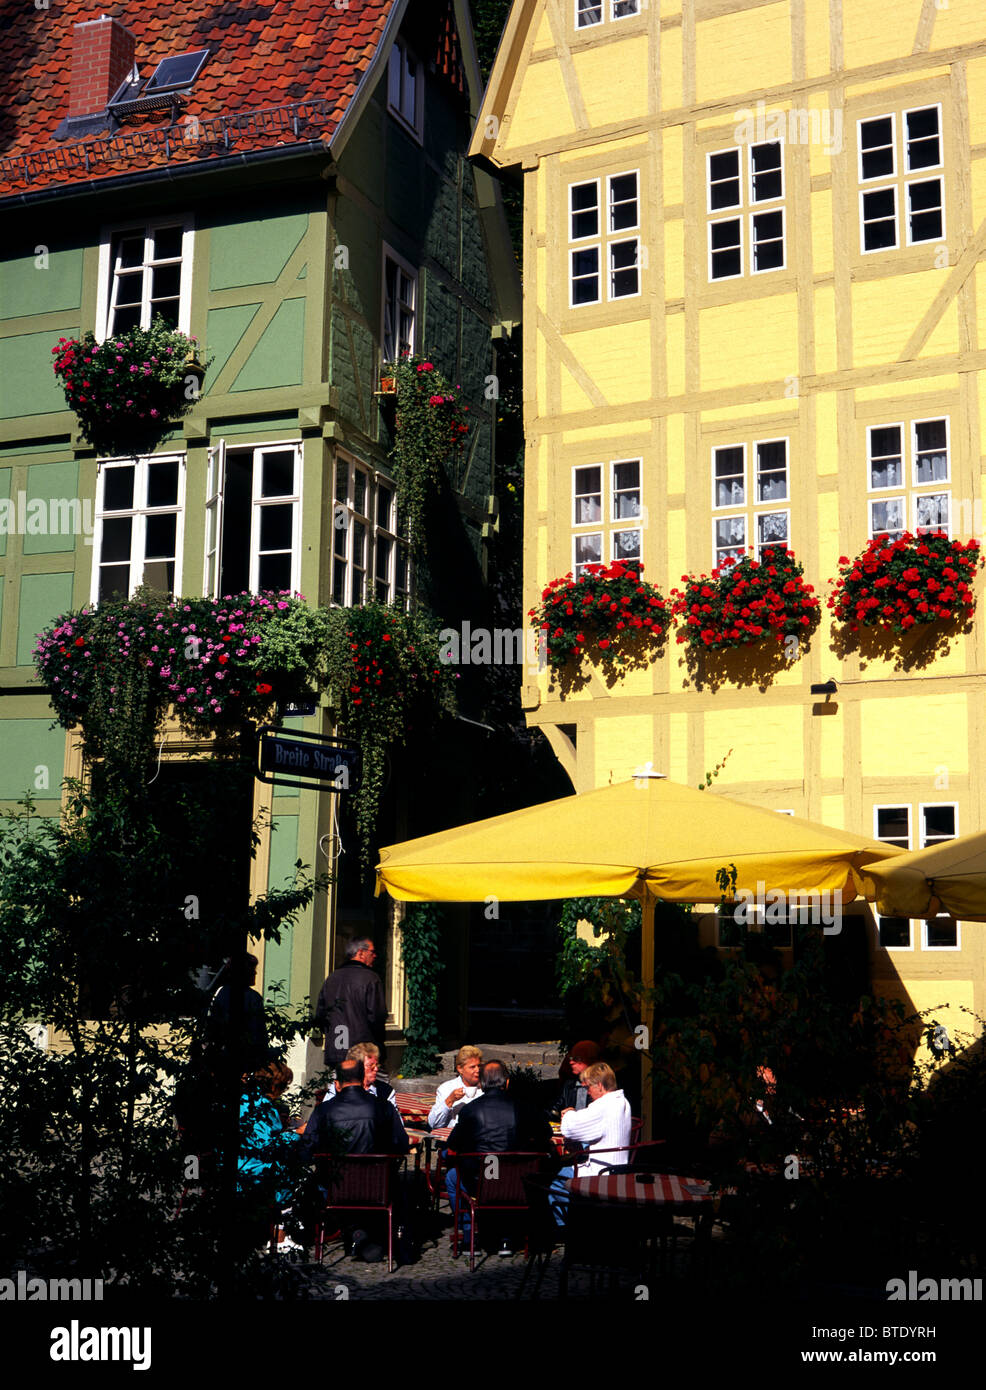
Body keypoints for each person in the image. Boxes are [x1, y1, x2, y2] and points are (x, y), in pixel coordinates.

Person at [300, 1058, 416, 1263]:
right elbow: (401, 1144)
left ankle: (355, 1232)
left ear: (337, 1083)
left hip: (335, 1187)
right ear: (363, 1078)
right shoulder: (384, 1107)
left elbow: (306, 1150)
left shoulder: (324, 1110)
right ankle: (389, 1241)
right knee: (407, 1182)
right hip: (378, 1186)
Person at [445, 1060, 553, 1254]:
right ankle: (507, 1237)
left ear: (481, 1084)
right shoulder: (525, 1107)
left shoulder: (471, 1110)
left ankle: (471, 1237)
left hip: (487, 1174)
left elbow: (454, 1144)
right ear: (507, 1083)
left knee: (452, 1178)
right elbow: (546, 1134)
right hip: (518, 1177)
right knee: (498, 1172)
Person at [547, 1062, 631, 1227]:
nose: (588, 1092)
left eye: (588, 1088)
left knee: (558, 1181)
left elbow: (571, 1129)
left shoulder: (603, 1106)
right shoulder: (622, 1102)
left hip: (602, 1172)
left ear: (599, 1085)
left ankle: (569, 1227)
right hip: (619, 1166)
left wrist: (569, 1113)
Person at [238, 1061, 304, 1251]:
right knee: (289, 1176)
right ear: (275, 1085)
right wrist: (296, 1134)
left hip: (235, 1162)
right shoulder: (264, 1107)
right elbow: (266, 1146)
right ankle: (280, 1239)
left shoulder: (243, 1100)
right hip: (251, 1167)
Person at [315, 938, 387, 1072]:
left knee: (339, 1087)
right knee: (369, 1089)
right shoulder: (371, 978)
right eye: (372, 952)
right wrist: (378, 1046)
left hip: (336, 1049)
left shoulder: (332, 978)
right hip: (362, 1052)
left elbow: (320, 1015)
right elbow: (377, 1017)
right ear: (360, 953)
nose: (375, 955)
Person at [427, 1044, 483, 1129]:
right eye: (472, 1067)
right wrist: (450, 1100)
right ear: (460, 1069)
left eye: (479, 1066)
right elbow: (434, 1124)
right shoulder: (447, 1088)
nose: (477, 1070)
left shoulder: (486, 1088)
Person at [548, 1040, 601, 1118]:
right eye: (570, 1058)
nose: (571, 1062)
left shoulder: (601, 1088)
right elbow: (554, 1110)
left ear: (589, 1060)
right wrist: (560, 1114)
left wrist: (574, 1115)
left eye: (576, 1059)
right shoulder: (569, 1085)